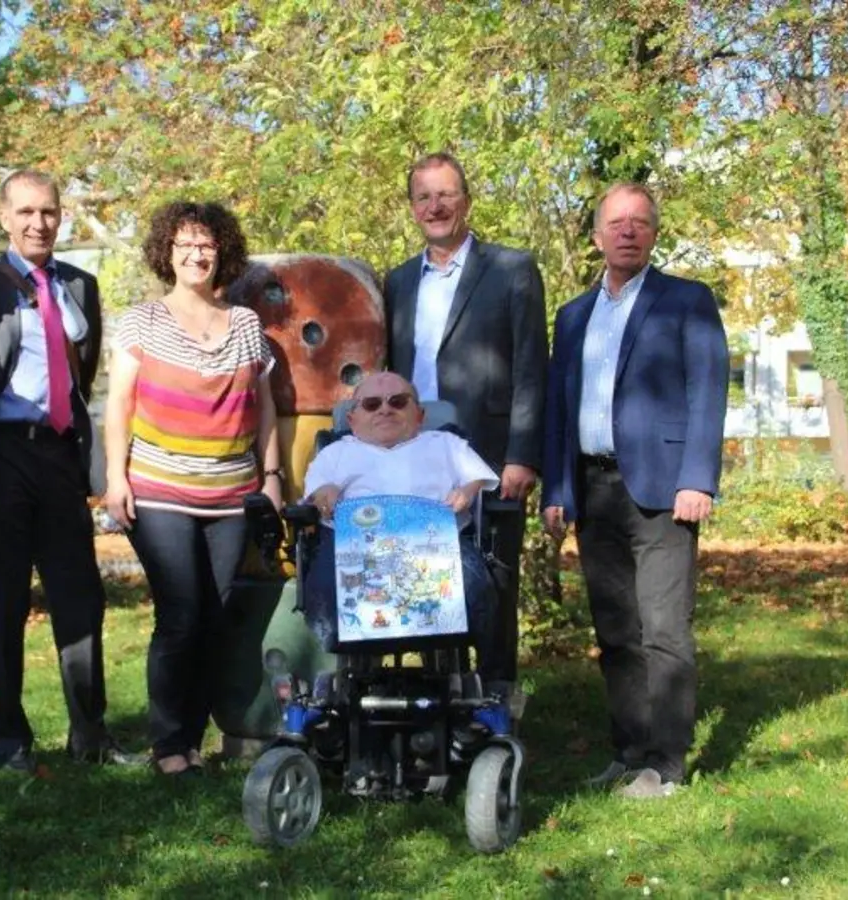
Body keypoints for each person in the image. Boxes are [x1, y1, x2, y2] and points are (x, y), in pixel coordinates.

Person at [541, 182, 730, 799]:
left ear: (653, 234)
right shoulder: (572, 317)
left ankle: (667, 765)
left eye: (640, 223)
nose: (628, 231)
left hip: (663, 489)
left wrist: (698, 478)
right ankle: (629, 752)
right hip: (593, 491)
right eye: (616, 223)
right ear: (596, 237)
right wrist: (558, 489)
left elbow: (709, 390)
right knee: (616, 631)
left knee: (664, 628)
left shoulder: (686, 301)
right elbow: (559, 409)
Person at [0, 169, 135, 773]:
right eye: (25, 212)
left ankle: (89, 732)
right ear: (3, 218)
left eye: (48, 212)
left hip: (59, 457)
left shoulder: (80, 284)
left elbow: (82, 374)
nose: (39, 223)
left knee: (80, 598)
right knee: (2, 602)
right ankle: (10, 743)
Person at [101, 201, 283, 777]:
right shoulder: (142, 322)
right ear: (167, 253)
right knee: (180, 614)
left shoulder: (248, 325)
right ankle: (167, 744)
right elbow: (120, 406)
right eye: (184, 245)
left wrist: (272, 480)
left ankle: (195, 736)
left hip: (232, 494)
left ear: (222, 252)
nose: (196, 254)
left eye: (205, 244)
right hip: (158, 490)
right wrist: (113, 478)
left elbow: (266, 410)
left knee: (216, 614)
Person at [383, 152, 547, 684]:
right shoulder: (398, 282)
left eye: (446, 194)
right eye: (424, 197)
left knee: (495, 583)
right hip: (417, 459)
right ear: (412, 209)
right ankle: (440, 699)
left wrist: (522, 455)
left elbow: (531, 367)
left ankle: (496, 703)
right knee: (426, 578)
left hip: (490, 455)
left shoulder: (511, 269)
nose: (436, 206)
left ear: (467, 202)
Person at [298, 372, 506, 676]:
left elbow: (477, 477)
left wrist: (467, 490)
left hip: (436, 550)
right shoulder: (336, 453)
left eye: (398, 401)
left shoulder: (445, 443)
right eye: (371, 404)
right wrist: (324, 493)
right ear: (353, 420)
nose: (385, 409)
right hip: (355, 555)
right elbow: (317, 492)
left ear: (419, 415)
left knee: (476, 591)